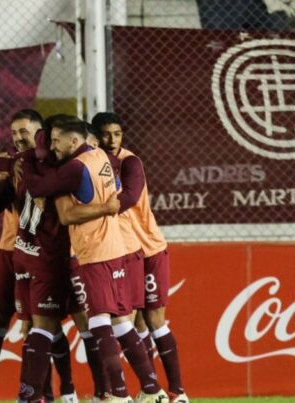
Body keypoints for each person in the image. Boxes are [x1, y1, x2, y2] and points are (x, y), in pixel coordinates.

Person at [22, 120, 169, 403]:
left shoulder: (74, 169)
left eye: (56, 142)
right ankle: (153, 391)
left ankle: (120, 396)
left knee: (99, 322)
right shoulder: (100, 156)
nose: (53, 147)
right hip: (116, 249)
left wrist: (30, 160)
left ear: (74, 142)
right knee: (121, 324)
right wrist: (105, 205)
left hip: (95, 252)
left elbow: (39, 189)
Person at [0, 109, 75, 403]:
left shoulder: (54, 165)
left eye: (23, 132)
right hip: (9, 251)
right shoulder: (13, 166)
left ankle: (62, 392)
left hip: (42, 253)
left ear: (40, 134)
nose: (17, 138)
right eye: (14, 133)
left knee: (42, 323)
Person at [92, 112, 188, 403]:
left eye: (117, 134)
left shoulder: (130, 162)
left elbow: (130, 198)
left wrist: (87, 209)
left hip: (149, 247)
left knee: (154, 320)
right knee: (131, 322)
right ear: (95, 136)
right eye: (106, 134)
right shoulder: (93, 164)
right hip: (124, 250)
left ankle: (176, 392)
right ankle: (148, 391)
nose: (112, 140)